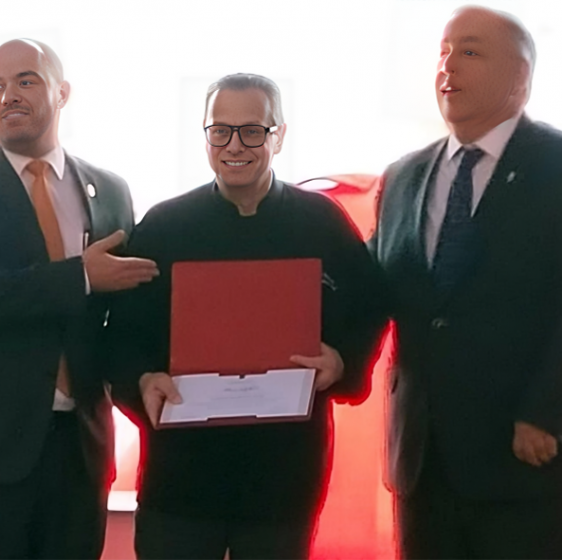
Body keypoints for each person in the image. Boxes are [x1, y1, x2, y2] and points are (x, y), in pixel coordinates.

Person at [105, 73, 386, 560]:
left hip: (282, 471)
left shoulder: (319, 221)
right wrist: (142, 379)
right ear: (205, 135)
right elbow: (121, 332)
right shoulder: (165, 226)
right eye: (220, 131)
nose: (234, 145)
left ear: (279, 135)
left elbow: (370, 305)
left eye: (252, 131)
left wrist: (342, 361)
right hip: (182, 473)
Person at [0, 39, 158, 560]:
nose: (9, 96)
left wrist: (146, 376)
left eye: (25, 81)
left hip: (78, 452)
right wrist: (81, 276)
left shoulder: (110, 190)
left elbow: (121, 314)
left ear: (62, 92)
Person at [370, 6, 562, 560]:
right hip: (423, 460)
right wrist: (333, 351)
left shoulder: (554, 167)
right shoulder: (404, 176)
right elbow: (371, 286)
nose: (448, 66)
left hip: (526, 456)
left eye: (470, 51)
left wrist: (546, 411)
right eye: (444, 52)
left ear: (520, 77)